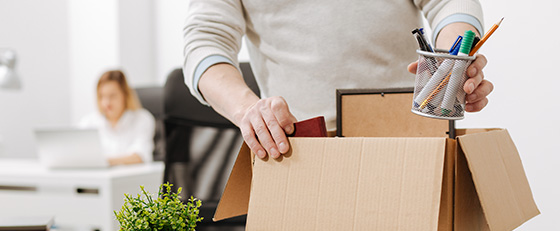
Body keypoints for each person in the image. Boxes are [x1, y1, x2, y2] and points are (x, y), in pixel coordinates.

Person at [183, 0, 493, 160]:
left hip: (409, 141)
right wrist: (246, 109)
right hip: (301, 149)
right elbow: (205, 42)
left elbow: (449, 3)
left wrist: (453, 62)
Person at [80, 70, 155, 166]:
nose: (106, 103)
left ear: (125, 95)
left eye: (112, 96)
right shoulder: (89, 122)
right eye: (102, 96)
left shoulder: (143, 119)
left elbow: (140, 156)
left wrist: (103, 162)